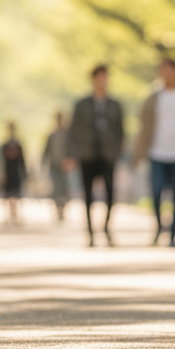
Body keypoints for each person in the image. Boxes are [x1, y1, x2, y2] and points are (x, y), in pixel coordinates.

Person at [133, 57, 175, 247]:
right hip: (157, 154)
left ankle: (173, 235)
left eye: (171, 70)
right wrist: (138, 153)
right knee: (155, 193)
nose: (167, 74)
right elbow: (143, 127)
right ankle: (159, 226)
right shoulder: (152, 96)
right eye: (163, 70)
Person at [67, 65, 124, 246]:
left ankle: (106, 227)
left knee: (110, 194)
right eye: (98, 77)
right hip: (87, 155)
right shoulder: (82, 104)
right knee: (88, 195)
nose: (101, 81)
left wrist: (118, 152)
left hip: (107, 156)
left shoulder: (115, 105)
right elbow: (73, 130)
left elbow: (121, 131)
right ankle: (90, 231)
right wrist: (71, 154)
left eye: (104, 77)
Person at [42, 112, 71, 220]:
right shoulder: (51, 135)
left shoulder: (68, 135)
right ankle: (57, 208)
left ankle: (63, 208)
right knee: (55, 188)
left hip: (65, 166)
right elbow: (46, 150)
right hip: (54, 165)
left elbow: (72, 150)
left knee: (64, 188)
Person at [1, 122, 27, 225]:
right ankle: (10, 214)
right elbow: (1, 160)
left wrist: (24, 173)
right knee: (8, 194)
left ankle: (16, 213)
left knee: (16, 193)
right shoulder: (4, 145)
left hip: (16, 172)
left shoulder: (18, 144)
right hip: (7, 172)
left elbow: (22, 160)